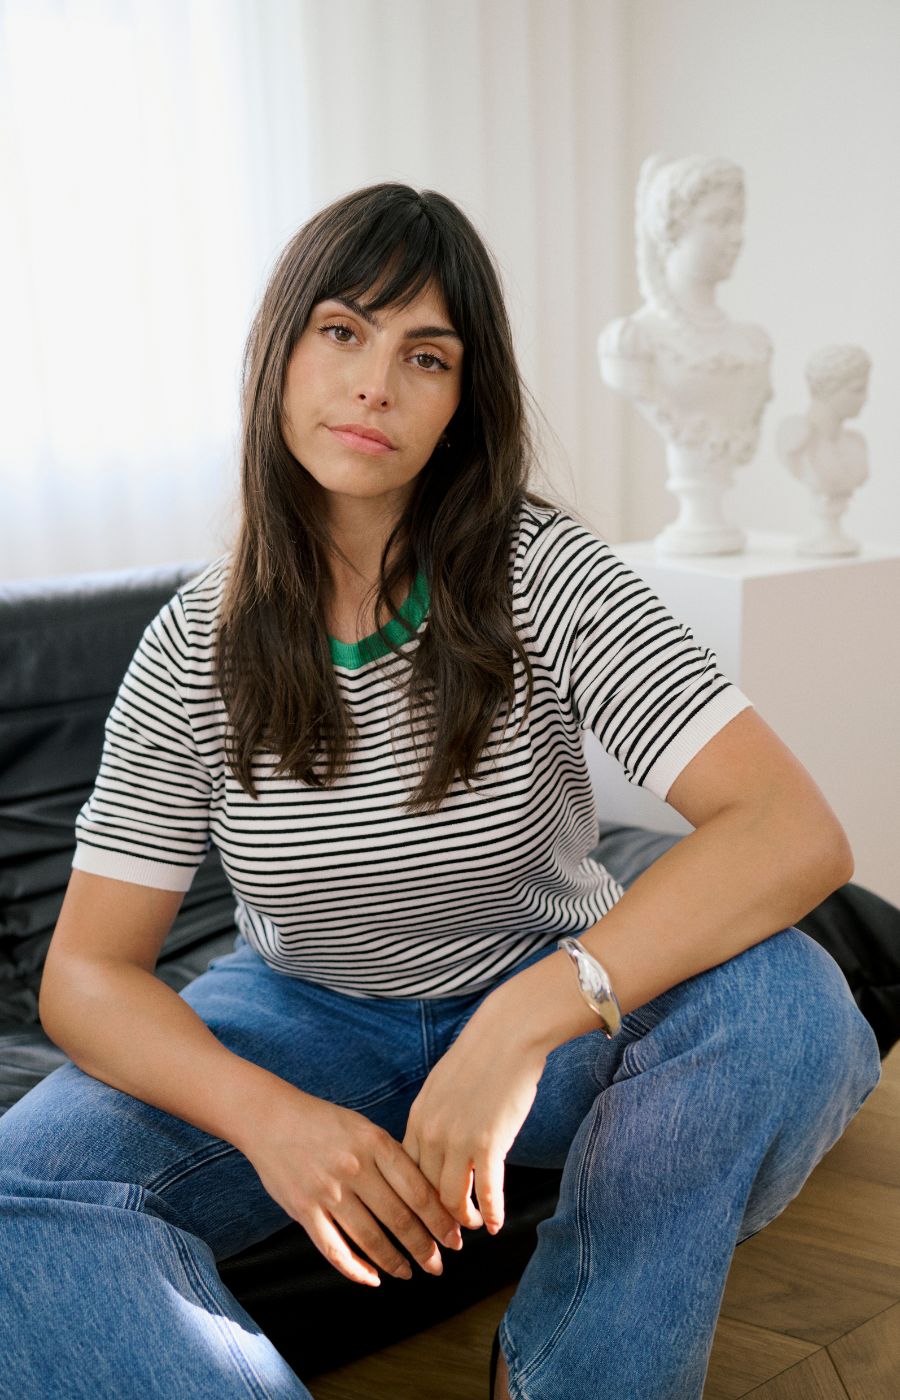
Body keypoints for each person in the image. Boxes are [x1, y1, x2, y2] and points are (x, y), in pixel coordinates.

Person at [0, 182, 882, 1400]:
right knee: (15, 1192)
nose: (375, 383)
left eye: (426, 355)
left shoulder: (543, 570)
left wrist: (522, 1022)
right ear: (280, 353)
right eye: (343, 331)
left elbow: (793, 827)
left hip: (555, 1001)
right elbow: (87, 972)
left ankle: (569, 1373)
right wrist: (272, 1118)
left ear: (463, 404)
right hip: (300, 1015)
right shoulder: (191, 645)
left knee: (792, 1003)